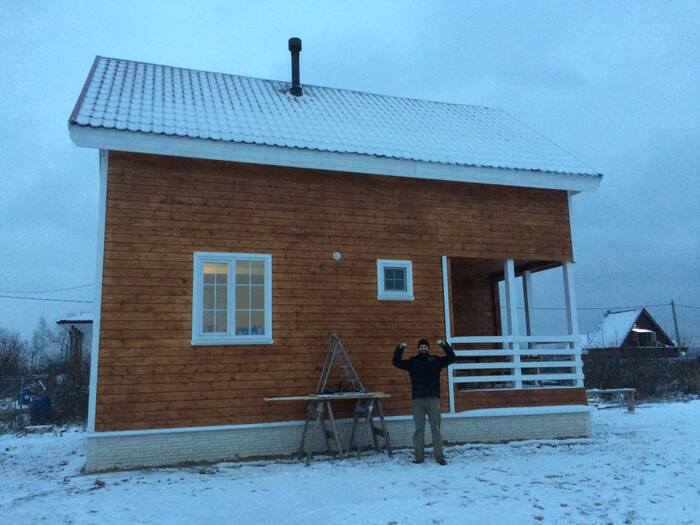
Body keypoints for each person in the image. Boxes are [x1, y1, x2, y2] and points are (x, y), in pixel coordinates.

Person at [393, 338, 456, 465]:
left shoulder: (436, 360)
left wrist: (444, 345)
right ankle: (419, 457)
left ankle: (439, 457)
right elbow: (396, 362)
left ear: (428, 348)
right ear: (418, 348)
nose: (423, 348)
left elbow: (451, 358)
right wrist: (400, 348)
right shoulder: (413, 362)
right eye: (421, 347)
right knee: (419, 429)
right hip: (417, 400)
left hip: (433, 399)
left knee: (436, 429)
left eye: (425, 347)